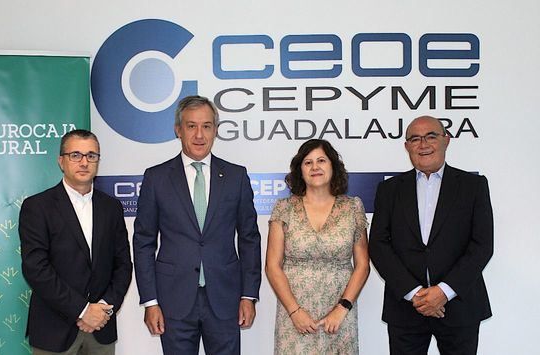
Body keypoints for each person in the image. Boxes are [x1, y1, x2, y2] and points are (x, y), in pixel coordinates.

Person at [133, 95, 261, 355]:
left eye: (206, 126)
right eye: (191, 126)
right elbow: (143, 242)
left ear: (215, 130)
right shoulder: (156, 178)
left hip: (225, 300)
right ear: (178, 130)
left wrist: (248, 295)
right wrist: (150, 301)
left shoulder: (236, 176)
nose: (199, 135)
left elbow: (249, 239)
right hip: (173, 301)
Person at [369, 116, 493, 355]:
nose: (423, 144)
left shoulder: (473, 186)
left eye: (431, 136)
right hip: (405, 308)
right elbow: (379, 245)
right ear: (407, 146)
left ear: (446, 140)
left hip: (459, 306)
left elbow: (482, 245)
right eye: (414, 138)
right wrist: (416, 294)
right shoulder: (389, 189)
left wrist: (443, 292)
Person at [19, 129, 132, 354]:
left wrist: (102, 309)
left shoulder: (112, 207)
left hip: (102, 330)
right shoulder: (37, 207)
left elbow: (123, 265)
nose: (84, 162)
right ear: (61, 161)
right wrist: (82, 311)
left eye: (91, 155)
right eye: (75, 155)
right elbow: (36, 269)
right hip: (54, 330)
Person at [266, 139, 370, 354]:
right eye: (308, 162)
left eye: (321, 160)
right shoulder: (284, 208)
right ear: (299, 170)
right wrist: (295, 312)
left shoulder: (352, 207)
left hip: (340, 312)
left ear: (333, 165)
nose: (315, 167)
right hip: (294, 312)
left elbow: (362, 265)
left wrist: (342, 308)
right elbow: (272, 266)